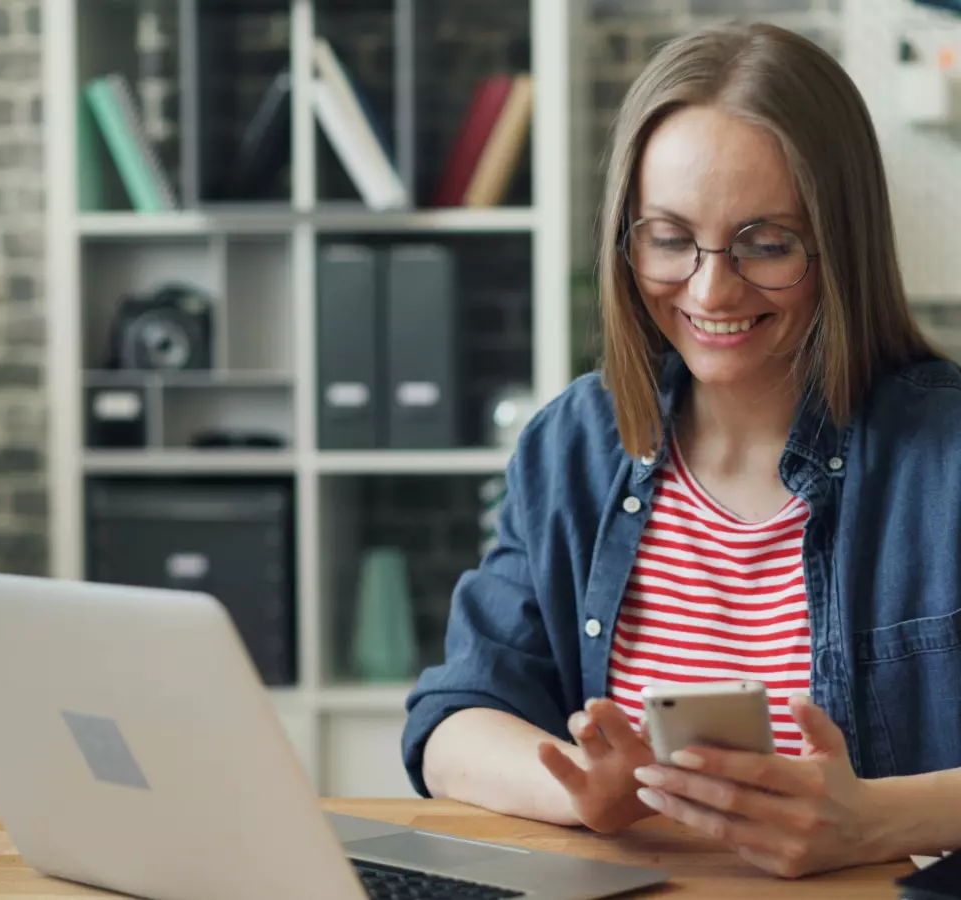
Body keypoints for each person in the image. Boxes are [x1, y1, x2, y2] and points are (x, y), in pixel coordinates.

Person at [401, 21, 961, 879]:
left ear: (839, 241)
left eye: (766, 244)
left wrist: (880, 820)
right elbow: (452, 719)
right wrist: (577, 789)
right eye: (669, 239)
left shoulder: (945, 457)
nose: (710, 289)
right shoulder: (575, 446)